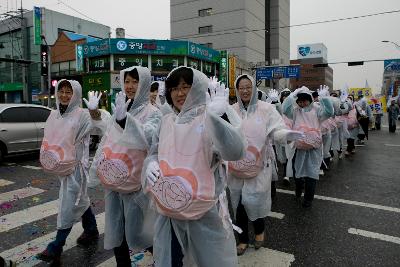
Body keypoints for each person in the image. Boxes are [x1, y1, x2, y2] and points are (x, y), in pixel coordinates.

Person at [143, 66, 246, 267]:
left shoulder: (209, 117)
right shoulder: (166, 121)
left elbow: (235, 151)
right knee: (171, 260)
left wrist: (219, 119)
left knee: (208, 260)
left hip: (204, 209)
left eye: (186, 87)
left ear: (198, 88)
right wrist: (150, 163)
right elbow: (154, 151)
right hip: (170, 208)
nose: (180, 93)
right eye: (174, 88)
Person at [89, 66, 162, 266]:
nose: (130, 86)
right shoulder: (121, 108)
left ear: (145, 84)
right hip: (115, 181)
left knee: (141, 232)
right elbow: (107, 138)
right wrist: (98, 169)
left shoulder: (154, 112)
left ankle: (163, 259)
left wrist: (124, 121)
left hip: (137, 185)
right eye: (127, 81)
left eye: (135, 81)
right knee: (116, 229)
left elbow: (148, 137)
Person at [228, 75, 303, 256]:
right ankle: (243, 239)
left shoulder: (266, 109)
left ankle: (259, 231)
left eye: (248, 87)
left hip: (258, 166)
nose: (245, 90)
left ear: (253, 88)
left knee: (254, 201)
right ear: (237, 90)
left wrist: (285, 135)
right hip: (236, 168)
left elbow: (276, 129)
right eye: (241, 87)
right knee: (238, 206)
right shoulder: (231, 110)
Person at [37, 80, 104, 263]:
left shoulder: (82, 115)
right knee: (79, 199)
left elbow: (100, 125)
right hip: (61, 167)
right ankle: (91, 229)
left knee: (68, 204)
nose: (65, 95)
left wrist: (94, 112)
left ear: (75, 94)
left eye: (69, 92)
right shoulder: (54, 114)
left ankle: (56, 246)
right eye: (62, 91)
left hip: (76, 169)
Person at [282, 86, 333, 208]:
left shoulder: (317, 110)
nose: (302, 103)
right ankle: (299, 188)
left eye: (305, 100)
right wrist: (291, 96)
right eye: (300, 101)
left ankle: (308, 199)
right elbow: (285, 110)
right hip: (299, 148)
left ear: (310, 100)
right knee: (298, 173)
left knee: (312, 174)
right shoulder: (295, 111)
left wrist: (325, 98)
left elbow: (329, 112)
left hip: (314, 148)